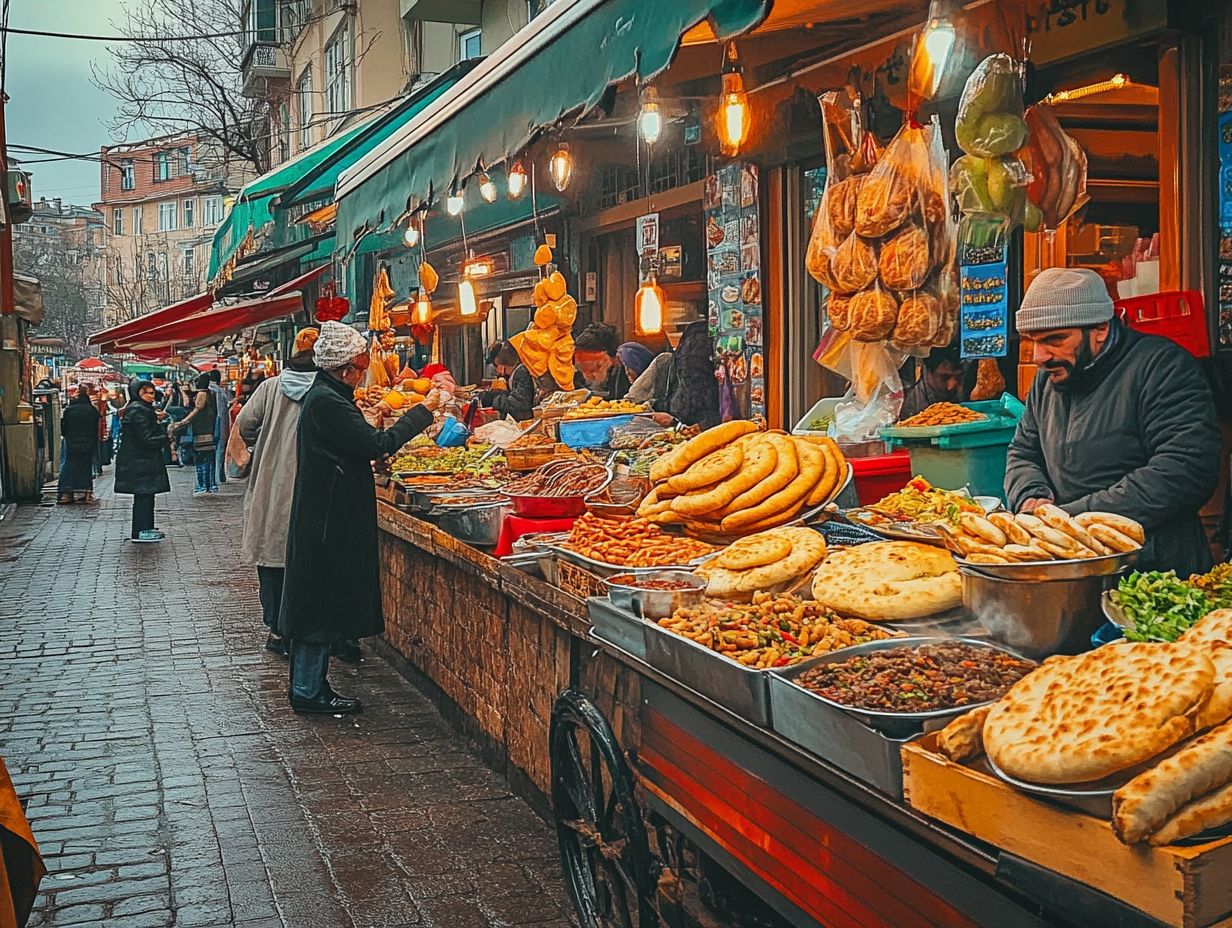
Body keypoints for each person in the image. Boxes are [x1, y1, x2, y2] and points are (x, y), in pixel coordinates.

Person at [1005, 267, 1220, 575]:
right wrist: (1031, 496)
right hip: (1071, 565)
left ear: (1101, 329)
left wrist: (1069, 518)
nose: (1040, 356)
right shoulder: (1047, 382)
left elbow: (1185, 469)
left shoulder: (1162, 367)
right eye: (1033, 341)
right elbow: (1024, 451)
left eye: (1055, 339)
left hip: (1154, 569)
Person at [279, 321, 440, 714]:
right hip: (326, 519)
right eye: (362, 363)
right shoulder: (328, 402)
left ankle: (311, 685)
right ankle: (307, 691)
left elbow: (355, 447)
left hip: (326, 513)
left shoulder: (328, 395)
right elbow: (372, 443)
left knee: (317, 606)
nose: (366, 370)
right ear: (346, 368)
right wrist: (424, 411)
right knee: (317, 608)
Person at [236, 328, 319, 658]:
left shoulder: (270, 388)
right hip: (310, 483)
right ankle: (301, 628)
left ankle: (276, 628)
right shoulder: (325, 391)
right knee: (304, 560)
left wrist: (263, 442)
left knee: (271, 560)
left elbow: (243, 424)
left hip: (270, 482)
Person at [114, 380, 171, 542]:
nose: (152, 397)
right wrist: (165, 435)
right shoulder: (139, 411)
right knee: (144, 496)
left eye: (153, 393)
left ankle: (145, 528)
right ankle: (142, 530)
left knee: (145, 496)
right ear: (139, 393)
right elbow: (146, 438)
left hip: (141, 461)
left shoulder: (140, 409)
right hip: (141, 462)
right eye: (148, 393)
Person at [170, 374, 219, 494]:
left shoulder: (202, 394)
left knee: (201, 459)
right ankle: (211, 485)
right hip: (210, 430)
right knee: (210, 459)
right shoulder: (212, 393)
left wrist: (183, 422)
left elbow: (197, 409)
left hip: (202, 430)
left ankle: (202, 486)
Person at [58, 387, 102, 505]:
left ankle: (67, 493)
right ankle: (86, 493)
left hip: (72, 442)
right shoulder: (92, 410)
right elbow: (96, 428)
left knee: (69, 465)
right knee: (86, 466)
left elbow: (63, 428)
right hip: (89, 443)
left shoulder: (69, 410)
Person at [899, 347, 969, 420]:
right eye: (944, 378)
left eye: (958, 378)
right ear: (927, 372)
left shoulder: (966, 394)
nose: (950, 386)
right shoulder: (909, 404)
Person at [481, 341, 537, 421]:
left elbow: (519, 403)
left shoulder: (521, 373)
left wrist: (495, 400)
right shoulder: (514, 374)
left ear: (503, 363)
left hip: (523, 420)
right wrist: (499, 393)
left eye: (496, 366)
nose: (496, 371)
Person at [574, 323, 632, 399]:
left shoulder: (625, 373)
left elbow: (622, 398)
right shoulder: (575, 376)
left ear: (613, 359)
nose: (588, 376)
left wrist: (589, 395)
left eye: (597, 367)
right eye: (581, 368)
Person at [208, 369, 230, 485]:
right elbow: (222, 411)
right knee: (220, 450)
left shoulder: (212, 390)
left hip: (213, 424)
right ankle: (218, 476)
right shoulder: (218, 391)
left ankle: (215, 477)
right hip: (220, 423)